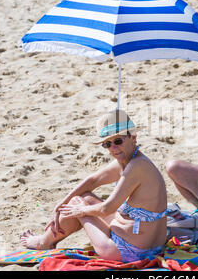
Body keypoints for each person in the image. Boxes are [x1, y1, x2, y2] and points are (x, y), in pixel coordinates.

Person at [21, 109, 168, 262]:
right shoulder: (131, 160)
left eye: (118, 141)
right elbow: (92, 181)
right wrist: (59, 205)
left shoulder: (137, 167)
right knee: (84, 197)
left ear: (133, 137)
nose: (113, 148)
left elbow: (107, 209)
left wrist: (80, 210)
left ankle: (43, 242)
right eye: (107, 144)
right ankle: (48, 238)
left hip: (128, 251)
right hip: (151, 246)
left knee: (76, 203)